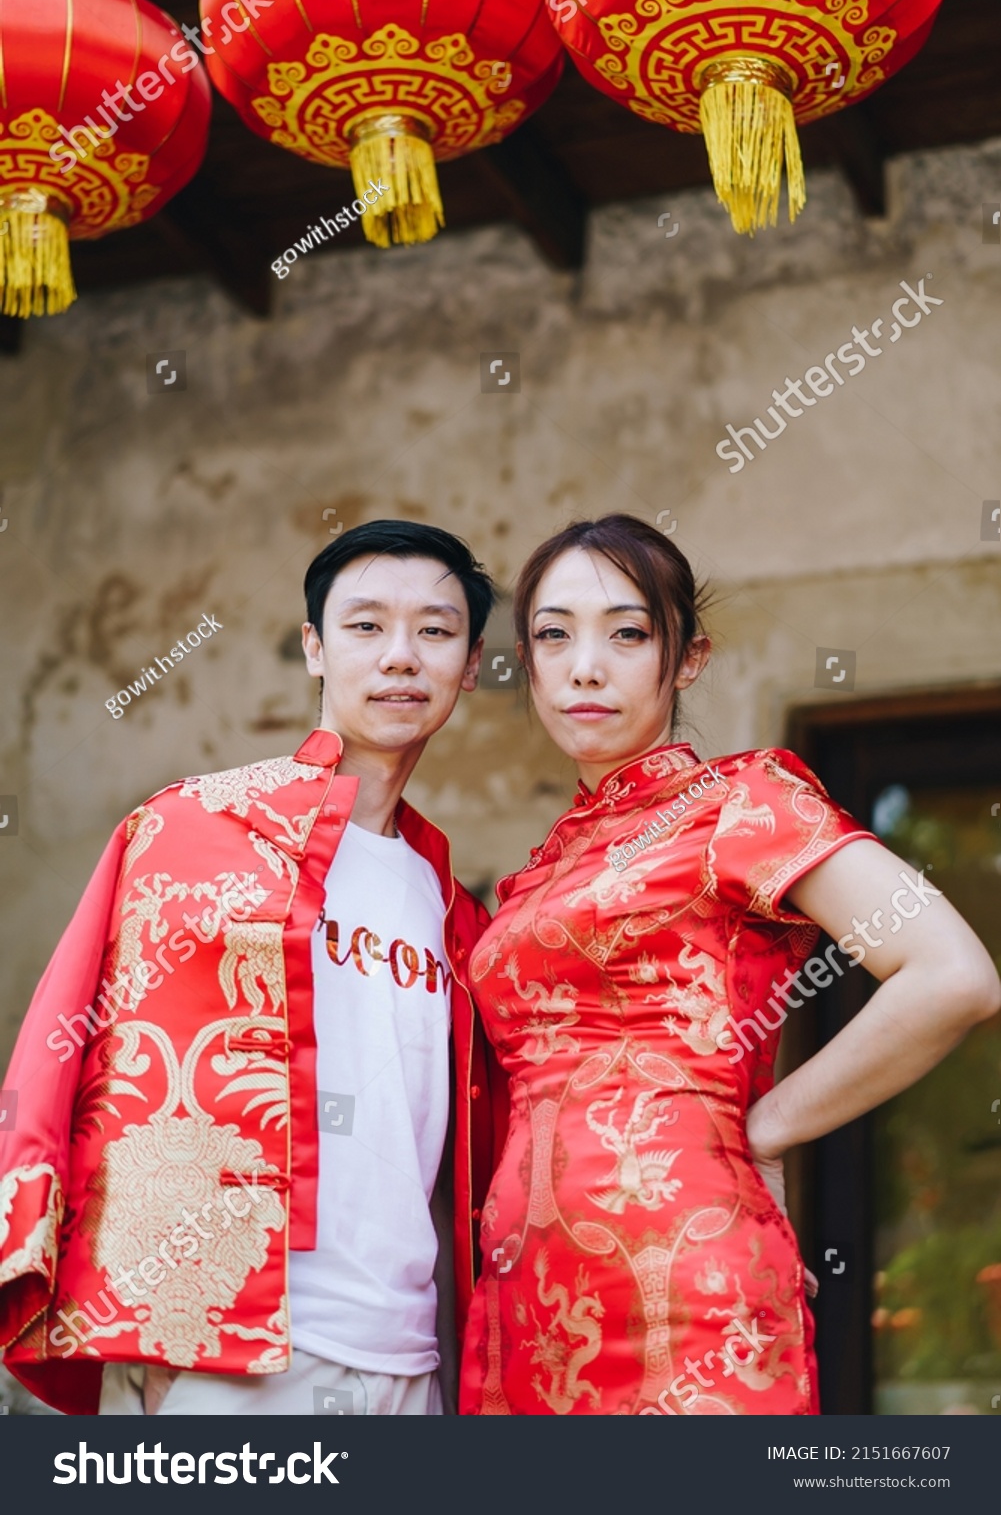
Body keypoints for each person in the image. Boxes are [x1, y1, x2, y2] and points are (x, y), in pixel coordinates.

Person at [458, 513, 1001, 1416]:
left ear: (689, 657)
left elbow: (951, 972)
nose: (584, 665)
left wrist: (768, 1127)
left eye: (627, 633)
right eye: (553, 635)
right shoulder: (541, 872)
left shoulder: (740, 804)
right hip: (531, 1294)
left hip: (689, 1283)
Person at [0, 520, 505, 1416]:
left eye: (435, 630)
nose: (400, 656)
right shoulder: (190, 831)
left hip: (412, 1357)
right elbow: (65, 1058)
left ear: (469, 665)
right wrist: (141, 1313)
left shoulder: (460, 916)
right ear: (313, 647)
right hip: (230, 1354)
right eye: (363, 627)